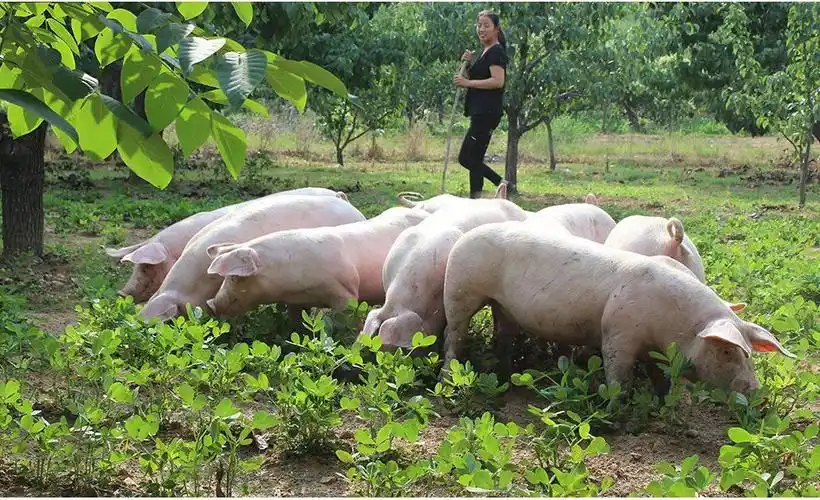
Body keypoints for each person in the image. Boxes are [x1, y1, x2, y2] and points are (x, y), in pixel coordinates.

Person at [454, 10, 510, 199]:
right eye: (479, 25)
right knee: (474, 159)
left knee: (466, 158)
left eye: (486, 25)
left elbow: (497, 81)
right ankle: (475, 199)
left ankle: (503, 184)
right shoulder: (485, 52)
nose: (481, 29)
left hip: (487, 113)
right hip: (480, 112)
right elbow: (480, 76)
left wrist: (467, 83)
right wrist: (469, 65)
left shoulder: (496, 52)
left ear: (496, 29)